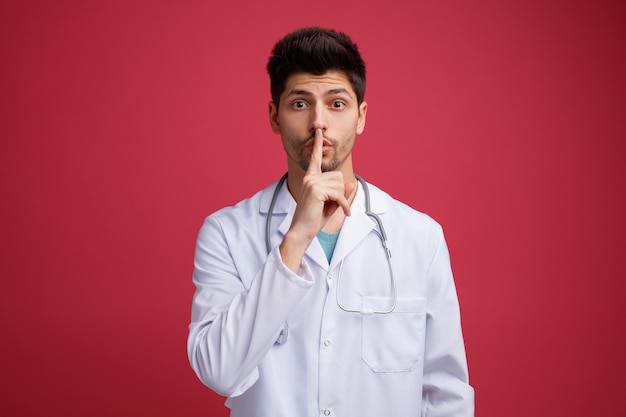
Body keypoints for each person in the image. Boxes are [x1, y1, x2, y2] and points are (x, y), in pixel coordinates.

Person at [187, 27, 474, 416]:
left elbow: (446, 393)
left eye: (337, 104)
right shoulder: (226, 233)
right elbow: (218, 370)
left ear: (361, 117)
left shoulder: (419, 238)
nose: (319, 123)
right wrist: (296, 238)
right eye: (300, 104)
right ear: (275, 116)